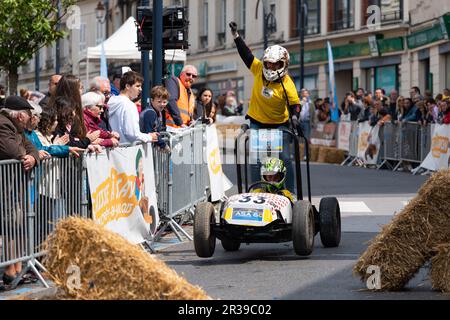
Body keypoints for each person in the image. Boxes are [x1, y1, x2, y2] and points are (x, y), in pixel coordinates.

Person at [229, 21, 300, 191]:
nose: (271, 67)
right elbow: (247, 56)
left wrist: (295, 117)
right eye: (268, 63)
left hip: (279, 125)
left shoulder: (287, 83)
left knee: (285, 159)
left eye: (275, 64)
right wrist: (236, 36)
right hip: (257, 122)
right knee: (256, 159)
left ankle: (289, 191)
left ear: (283, 64)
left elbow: (294, 104)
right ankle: (257, 189)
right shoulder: (259, 70)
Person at [0, 96, 40, 287]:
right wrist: (28, 155)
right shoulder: (3, 124)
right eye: (28, 113)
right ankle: (10, 269)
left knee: (15, 224)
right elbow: (12, 151)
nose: (30, 117)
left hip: (12, 186)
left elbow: (32, 148)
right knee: (8, 225)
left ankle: (14, 267)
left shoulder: (16, 128)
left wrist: (32, 157)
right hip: (5, 186)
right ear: (19, 115)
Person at [108, 71, 159, 144]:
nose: (140, 89)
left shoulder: (111, 101)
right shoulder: (129, 105)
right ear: (127, 86)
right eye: (137, 86)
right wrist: (149, 137)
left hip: (113, 149)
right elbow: (132, 134)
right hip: (127, 150)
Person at [139, 86, 171, 153]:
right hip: (143, 148)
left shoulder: (158, 112)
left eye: (164, 102)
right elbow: (150, 132)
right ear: (152, 100)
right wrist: (163, 145)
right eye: (159, 102)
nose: (162, 104)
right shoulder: (150, 113)